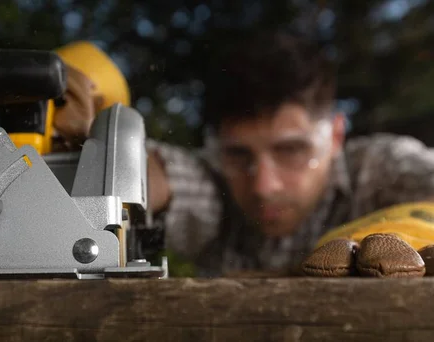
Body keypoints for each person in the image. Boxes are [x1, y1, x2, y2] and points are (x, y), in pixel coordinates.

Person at [54, 30, 434, 276]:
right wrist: (94, 147)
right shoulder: (215, 184)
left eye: (291, 151)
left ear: (336, 135)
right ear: (218, 146)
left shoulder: (382, 166)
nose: (264, 185)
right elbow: (158, 174)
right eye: (239, 156)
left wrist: (399, 238)